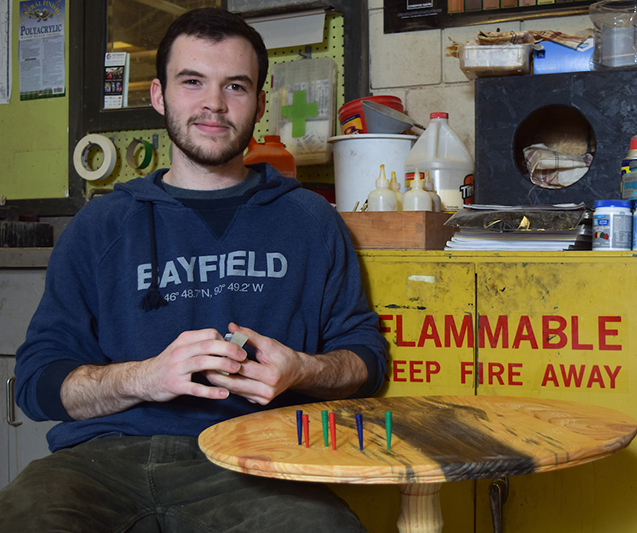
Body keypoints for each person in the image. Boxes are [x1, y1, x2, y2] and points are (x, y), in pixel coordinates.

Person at [0, 7, 386, 532]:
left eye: (235, 86)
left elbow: (367, 359)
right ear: (159, 95)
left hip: (254, 461)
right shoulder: (101, 225)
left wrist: (303, 369)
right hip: (99, 465)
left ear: (260, 104)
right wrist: (148, 377)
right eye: (192, 82)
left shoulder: (309, 220)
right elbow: (37, 384)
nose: (213, 103)